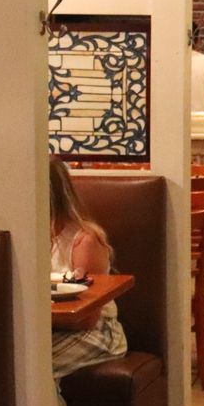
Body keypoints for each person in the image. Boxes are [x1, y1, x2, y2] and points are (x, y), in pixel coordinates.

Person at [49, 159, 127, 391]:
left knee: (32, 364)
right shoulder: (24, 238)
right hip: (48, 328)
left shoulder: (84, 241)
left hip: (98, 333)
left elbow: (88, 318)